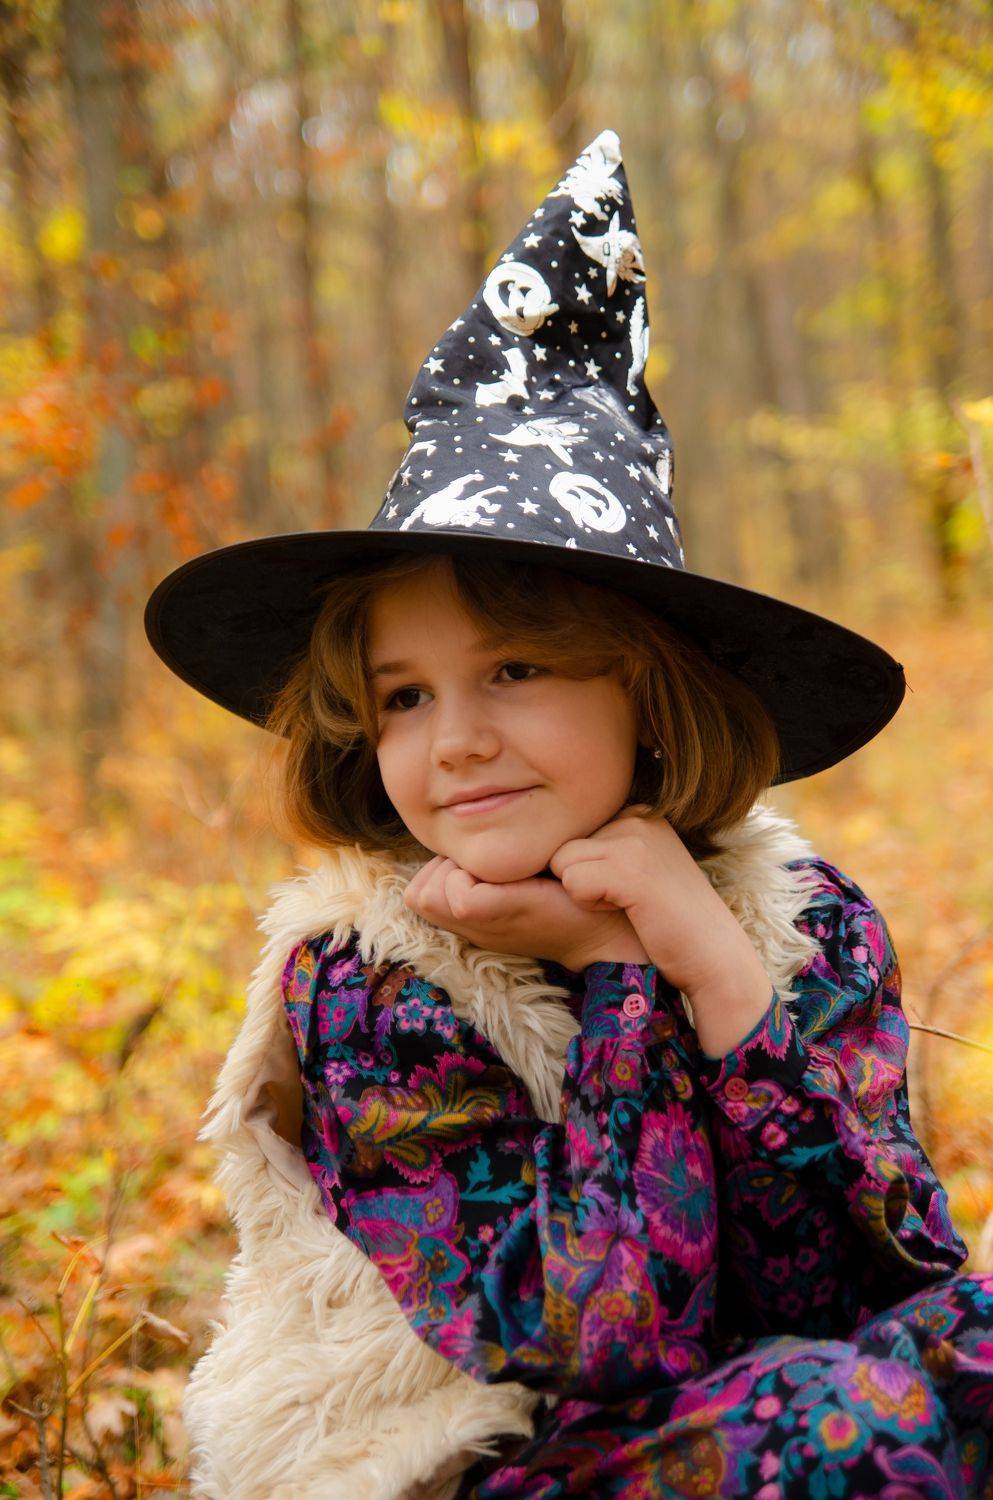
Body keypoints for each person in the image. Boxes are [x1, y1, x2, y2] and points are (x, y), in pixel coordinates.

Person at [144, 130, 993, 1499]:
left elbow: (864, 1283)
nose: (456, 740)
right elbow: (609, 1335)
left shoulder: (805, 924)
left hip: (779, 1400)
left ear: (649, 691)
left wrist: (714, 967)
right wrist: (613, 974)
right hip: (477, 1455)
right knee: (844, 1416)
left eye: (516, 671)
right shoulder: (376, 979)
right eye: (404, 696)